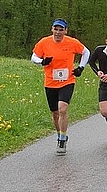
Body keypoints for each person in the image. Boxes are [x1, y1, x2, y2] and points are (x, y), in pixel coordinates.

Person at [31, 18, 90, 155]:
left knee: (62, 109)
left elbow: (86, 52)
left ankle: (62, 140)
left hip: (67, 81)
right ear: (52, 29)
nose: (58, 32)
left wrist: (81, 67)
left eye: (61, 30)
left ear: (65, 31)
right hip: (50, 82)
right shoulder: (44, 42)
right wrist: (42, 61)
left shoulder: (72, 42)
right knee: (55, 113)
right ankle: (60, 134)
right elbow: (33, 57)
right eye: (55, 29)